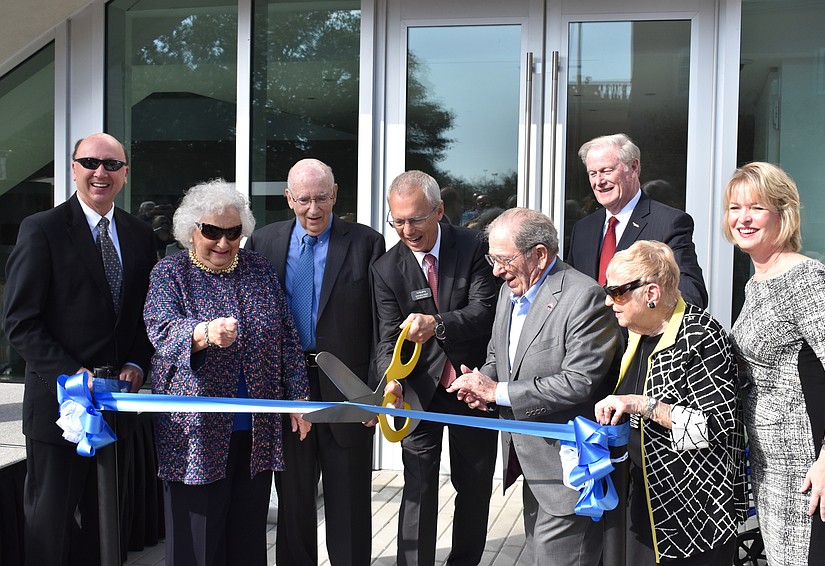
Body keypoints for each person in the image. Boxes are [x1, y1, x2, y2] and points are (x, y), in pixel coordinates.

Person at [3, 132, 159, 565]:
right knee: (48, 525)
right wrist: (74, 375)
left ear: (125, 174)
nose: (100, 172)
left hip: (117, 407)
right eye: (90, 162)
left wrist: (136, 361)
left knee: (106, 525)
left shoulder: (140, 235)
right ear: (73, 168)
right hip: (59, 405)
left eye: (111, 165)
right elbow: (20, 322)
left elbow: (145, 317)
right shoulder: (42, 229)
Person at [143, 179, 311, 566]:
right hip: (195, 432)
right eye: (213, 232)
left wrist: (298, 398)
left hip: (255, 427)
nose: (223, 242)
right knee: (196, 545)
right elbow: (161, 329)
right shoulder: (171, 273)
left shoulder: (258, 270)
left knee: (247, 540)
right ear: (191, 229)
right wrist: (202, 333)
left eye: (233, 232)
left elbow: (287, 336)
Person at [447, 207, 622, 566]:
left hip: (568, 470)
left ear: (539, 255)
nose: (496, 270)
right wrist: (481, 382)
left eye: (503, 259)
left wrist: (497, 392)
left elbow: (578, 382)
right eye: (491, 258)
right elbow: (499, 353)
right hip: (532, 466)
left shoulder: (584, 297)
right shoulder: (510, 291)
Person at [244, 158, 385, 566]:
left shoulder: (366, 242)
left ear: (336, 194)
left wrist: (373, 393)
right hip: (288, 392)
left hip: (348, 391)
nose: (313, 209)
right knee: (294, 501)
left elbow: (381, 323)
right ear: (288, 198)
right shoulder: (264, 243)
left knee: (350, 502)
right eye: (303, 199)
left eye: (322, 198)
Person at [726, 162, 825, 565]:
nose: (743, 218)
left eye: (756, 208)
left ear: (784, 214)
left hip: (811, 471)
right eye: (734, 208)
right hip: (772, 469)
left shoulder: (806, 278)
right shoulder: (758, 279)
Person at [594, 240, 747, 565]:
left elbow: (712, 429)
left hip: (693, 515)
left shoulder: (701, 335)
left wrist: (641, 405)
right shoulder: (636, 332)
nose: (609, 302)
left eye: (618, 292)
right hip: (643, 502)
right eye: (607, 290)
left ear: (651, 293)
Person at [372, 170, 498, 566]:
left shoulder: (475, 245)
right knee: (418, 487)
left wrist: (438, 324)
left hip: (474, 387)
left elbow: (484, 312)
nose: (406, 229)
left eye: (416, 219)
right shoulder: (386, 268)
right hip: (418, 392)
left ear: (439, 210)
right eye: (398, 221)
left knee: (474, 486)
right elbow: (388, 337)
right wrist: (388, 382)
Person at [567, 133, 708, 308]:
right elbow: (569, 291)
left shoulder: (669, 223)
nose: (599, 181)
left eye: (606, 171)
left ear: (633, 167)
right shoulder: (583, 229)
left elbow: (692, 294)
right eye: (592, 173)